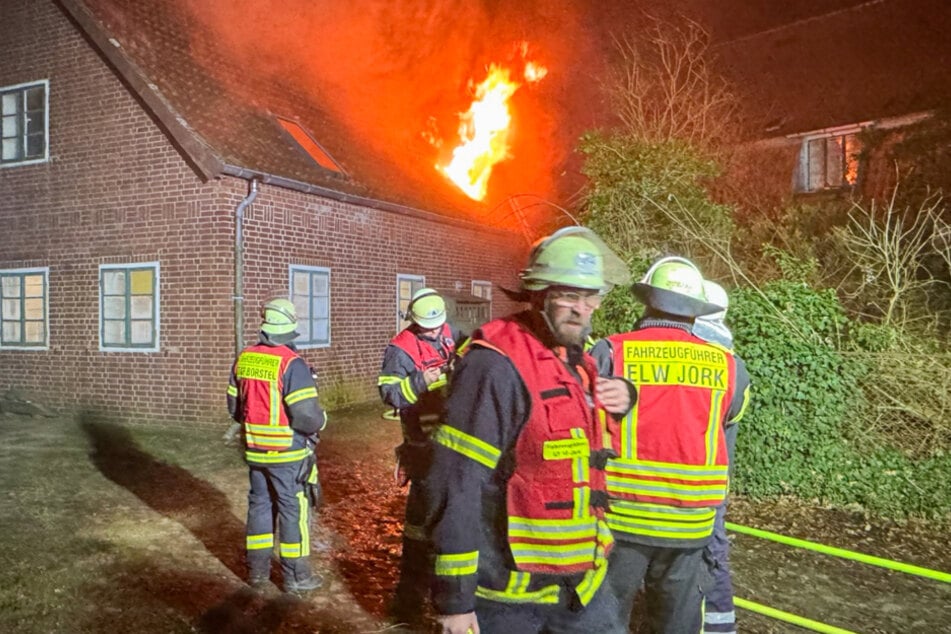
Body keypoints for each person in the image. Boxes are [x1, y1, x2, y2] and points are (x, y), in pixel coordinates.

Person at [425, 227, 636, 634]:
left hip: (581, 586)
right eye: (568, 296)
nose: (583, 308)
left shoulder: (572, 358)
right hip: (508, 597)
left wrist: (625, 399)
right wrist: (455, 600)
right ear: (537, 295)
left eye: (591, 296)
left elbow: (579, 439)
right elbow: (458, 481)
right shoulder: (495, 367)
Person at [589, 257, 751, 634]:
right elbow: (728, 431)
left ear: (647, 303)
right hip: (691, 527)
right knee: (677, 624)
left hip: (621, 521)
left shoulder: (611, 352)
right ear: (697, 311)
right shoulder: (730, 366)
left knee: (602, 620)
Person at [227, 298, 327, 593]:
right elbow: (306, 416)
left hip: (255, 451)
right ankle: (296, 577)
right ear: (291, 328)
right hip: (288, 454)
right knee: (292, 511)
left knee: (259, 506)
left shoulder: (244, 358)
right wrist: (321, 421)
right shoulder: (292, 364)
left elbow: (234, 407)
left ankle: (257, 573)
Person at [377, 287, 465, 622]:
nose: (434, 332)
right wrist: (418, 382)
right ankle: (409, 603)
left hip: (457, 442)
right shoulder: (400, 350)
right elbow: (388, 394)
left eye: (437, 327)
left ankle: (451, 596)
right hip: (424, 448)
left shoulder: (452, 334)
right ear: (414, 323)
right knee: (419, 527)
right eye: (427, 328)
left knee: (456, 519)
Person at [693, 280, 750, 634]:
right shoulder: (734, 366)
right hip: (713, 485)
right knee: (712, 558)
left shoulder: (702, 360)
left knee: (704, 559)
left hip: (687, 485)